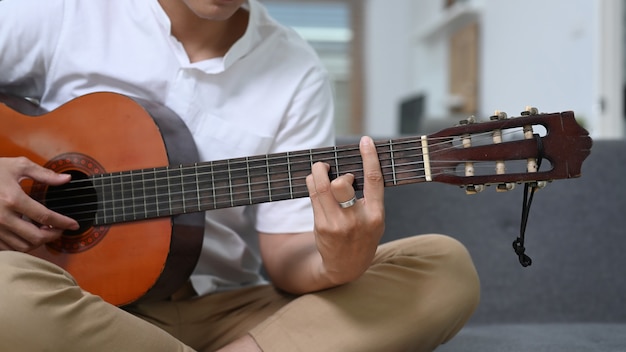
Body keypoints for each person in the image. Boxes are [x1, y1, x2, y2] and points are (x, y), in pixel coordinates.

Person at [0, 0, 480, 351]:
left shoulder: (296, 71)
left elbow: (287, 254)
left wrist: (338, 262)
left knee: (444, 268)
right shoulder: (63, 12)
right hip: (79, 304)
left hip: (227, 313)